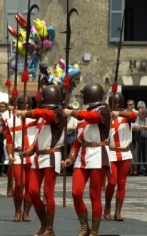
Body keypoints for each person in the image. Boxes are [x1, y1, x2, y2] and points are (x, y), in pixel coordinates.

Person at [62, 83, 111, 236]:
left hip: (98, 153)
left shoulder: (104, 110)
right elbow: (77, 141)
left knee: (94, 195)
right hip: (83, 155)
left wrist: (72, 112)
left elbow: (94, 118)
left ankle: (94, 231)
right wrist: (71, 158)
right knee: (76, 192)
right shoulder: (82, 116)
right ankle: (84, 226)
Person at [17, 85, 65, 236]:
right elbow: (39, 138)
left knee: (48, 193)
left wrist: (27, 113)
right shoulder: (43, 118)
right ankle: (44, 225)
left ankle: (49, 228)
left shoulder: (58, 112)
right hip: (39, 156)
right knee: (32, 191)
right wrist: (30, 150)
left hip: (51, 156)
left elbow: (46, 114)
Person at [103, 92, 137, 222]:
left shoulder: (126, 116)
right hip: (111, 152)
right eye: (114, 103)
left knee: (122, 183)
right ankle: (107, 207)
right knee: (111, 182)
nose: (116, 105)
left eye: (118, 103)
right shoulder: (107, 116)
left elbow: (135, 115)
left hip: (124, 153)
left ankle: (118, 212)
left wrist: (119, 113)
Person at [6, 94, 37, 222]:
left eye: (27, 103)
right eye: (22, 103)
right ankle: (17, 211)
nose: (25, 105)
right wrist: (10, 154)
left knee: (30, 186)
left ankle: (26, 212)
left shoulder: (36, 118)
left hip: (32, 155)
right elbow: (9, 140)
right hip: (18, 155)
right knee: (19, 184)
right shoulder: (11, 120)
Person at [127, 99, 139, 176]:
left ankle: (135, 170)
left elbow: (137, 124)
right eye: (128, 104)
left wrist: (131, 126)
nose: (130, 106)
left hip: (135, 135)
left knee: (135, 153)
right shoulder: (125, 112)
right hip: (127, 135)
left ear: (134, 105)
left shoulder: (137, 113)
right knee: (129, 153)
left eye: (131, 104)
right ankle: (131, 170)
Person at [135, 101, 147, 175]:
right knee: (139, 153)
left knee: (145, 154)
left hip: (145, 137)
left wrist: (141, 127)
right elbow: (136, 124)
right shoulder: (138, 116)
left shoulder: (146, 116)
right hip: (141, 137)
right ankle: (140, 169)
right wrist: (137, 126)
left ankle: (145, 169)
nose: (140, 115)